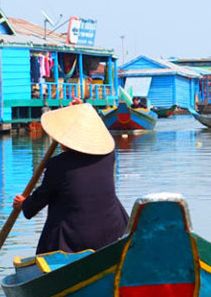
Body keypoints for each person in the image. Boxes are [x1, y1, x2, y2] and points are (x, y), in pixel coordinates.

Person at [12, 99, 129, 254]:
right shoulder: (108, 155)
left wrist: (24, 204)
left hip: (74, 242)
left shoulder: (58, 165)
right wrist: (81, 113)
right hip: (114, 232)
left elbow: (37, 203)